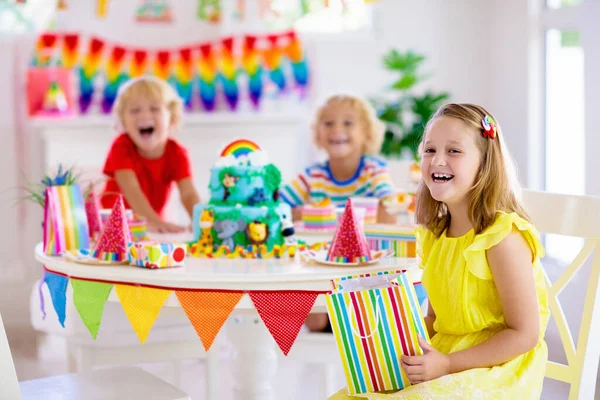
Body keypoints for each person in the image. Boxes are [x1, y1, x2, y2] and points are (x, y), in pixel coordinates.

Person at [330, 103, 549, 399]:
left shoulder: (502, 238)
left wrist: (447, 363)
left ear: (485, 164)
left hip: (496, 370)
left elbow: (524, 335)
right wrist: (390, 344)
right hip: (447, 358)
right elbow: (437, 319)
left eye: (454, 151)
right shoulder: (437, 236)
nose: (437, 161)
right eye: (430, 150)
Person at [281, 94, 398, 332]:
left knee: (360, 315)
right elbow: (278, 207)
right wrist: (307, 214)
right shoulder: (313, 176)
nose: (337, 129)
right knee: (315, 319)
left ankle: (354, 324)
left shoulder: (372, 170)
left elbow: (390, 205)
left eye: (347, 123)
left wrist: (322, 217)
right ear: (318, 135)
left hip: (362, 266)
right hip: (322, 265)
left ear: (367, 134)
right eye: (328, 123)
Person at [100, 76, 200, 233]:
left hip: (148, 227)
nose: (144, 116)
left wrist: (201, 222)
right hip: (112, 227)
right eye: (134, 110)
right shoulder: (121, 147)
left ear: (172, 119)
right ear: (123, 121)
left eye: (155, 109)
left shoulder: (177, 153)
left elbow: (188, 193)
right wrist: (156, 222)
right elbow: (131, 189)